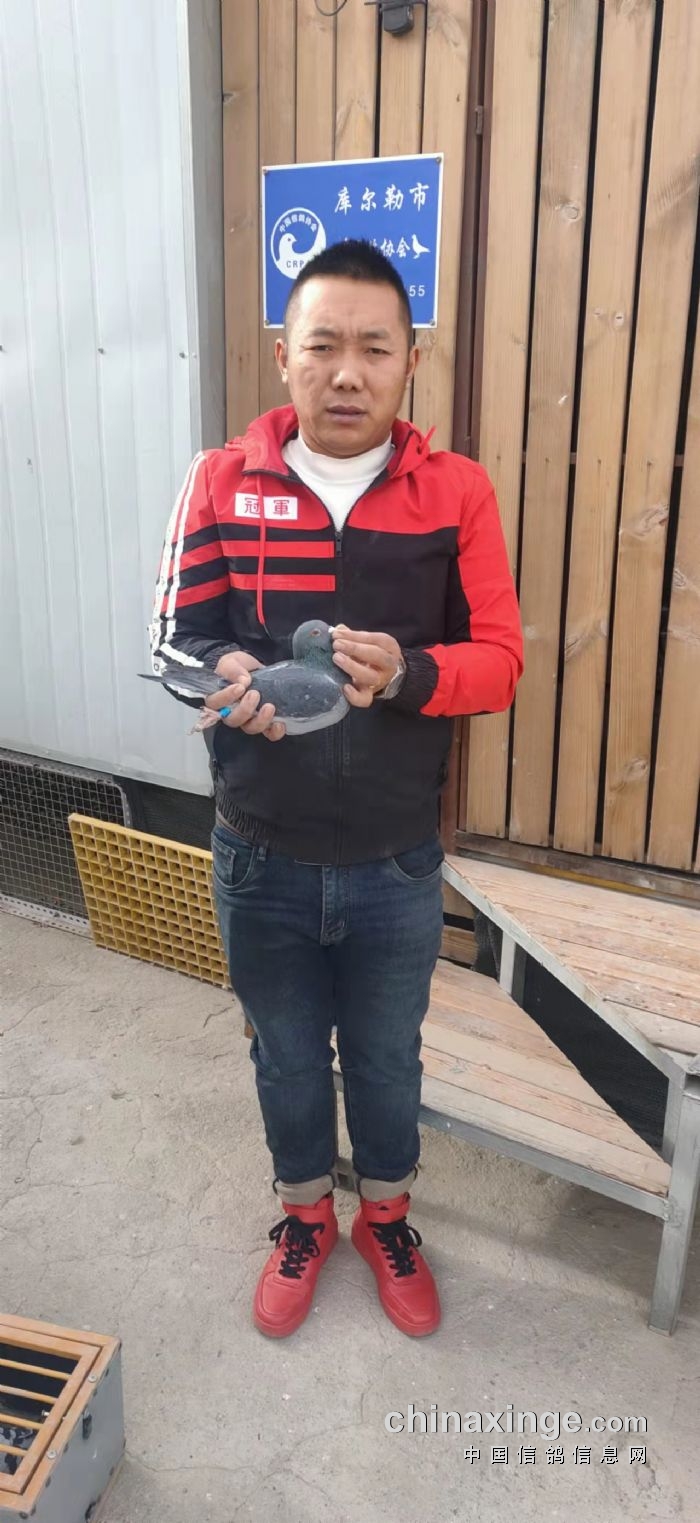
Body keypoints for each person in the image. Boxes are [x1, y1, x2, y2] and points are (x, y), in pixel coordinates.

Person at [150, 240, 523, 1340]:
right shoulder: (220, 480)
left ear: (412, 362)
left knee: (387, 1059)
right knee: (282, 1054)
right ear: (285, 356)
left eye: (374, 348)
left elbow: (500, 661)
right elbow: (174, 639)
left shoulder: (455, 492)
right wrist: (221, 674)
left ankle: (387, 1219)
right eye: (322, 346)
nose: (347, 372)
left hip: (397, 861)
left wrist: (408, 673)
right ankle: (306, 1213)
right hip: (258, 851)